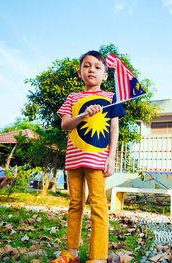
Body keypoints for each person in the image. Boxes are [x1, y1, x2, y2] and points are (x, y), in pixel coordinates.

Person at [52, 50, 126, 263]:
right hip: (74, 160)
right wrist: (84, 115)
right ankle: (71, 252)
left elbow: (114, 129)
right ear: (79, 72)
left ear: (105, 75)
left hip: (97, 160)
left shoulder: (111, 97)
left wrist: (111, 158)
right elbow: (65, 124)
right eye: (87, 65)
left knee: (99, 205)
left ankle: (98, 256)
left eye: (97, 66)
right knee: (75, 204)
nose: (91, 69)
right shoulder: (73, 98)